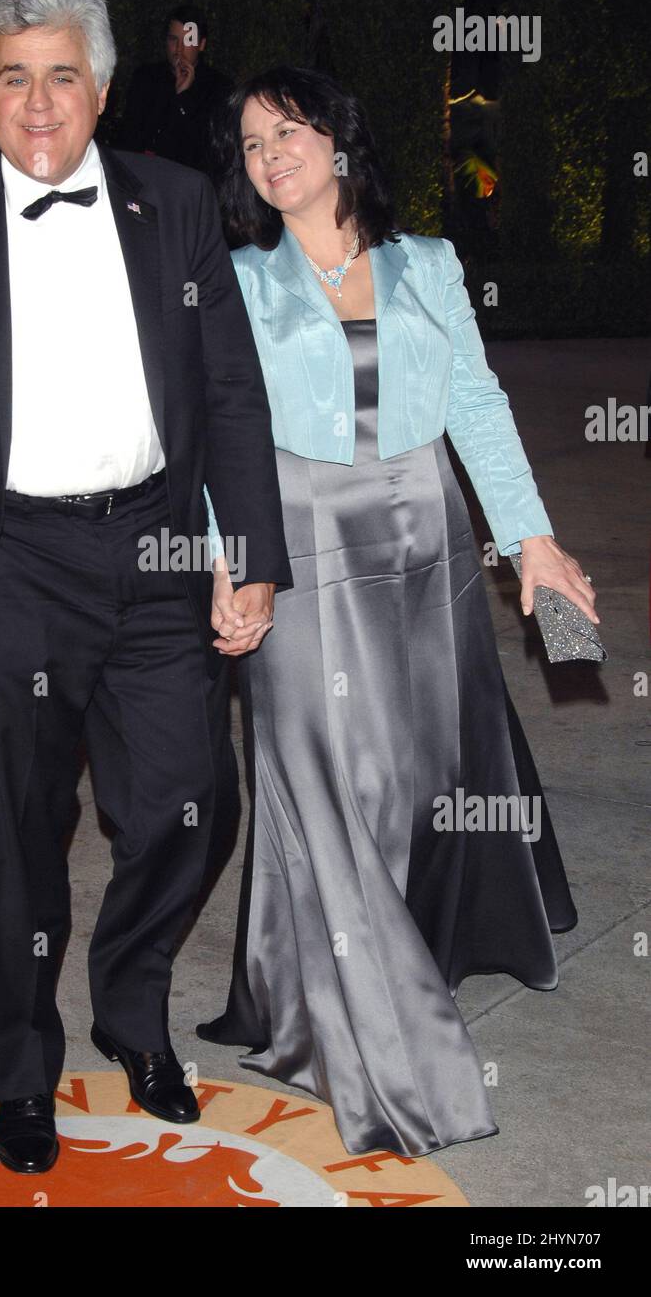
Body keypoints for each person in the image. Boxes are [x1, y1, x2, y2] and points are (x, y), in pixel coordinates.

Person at [0, 0, 291, 1176]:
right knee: (19, 837)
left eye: (63, 73)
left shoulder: (175, 203)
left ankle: (130, 1014)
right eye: (15, 76)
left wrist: (248, 558)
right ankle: (24, 1073)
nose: (39, 102)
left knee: (192, 804)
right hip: (11, 562)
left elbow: (231, 393)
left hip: (157, 546)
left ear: (100, 87)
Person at [197, 66, 598, 1158]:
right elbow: (213, 432)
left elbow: (472, 398)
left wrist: (530, 537)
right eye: (249, 142)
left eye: (289, 131)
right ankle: (388, 1046)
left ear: (339, 141)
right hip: (295, 538)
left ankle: (368, 956)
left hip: (423, 537)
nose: (270, 153)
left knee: (421, 771)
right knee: (329, 769)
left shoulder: (426, 263)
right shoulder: (235, 280)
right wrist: (230, 565)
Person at [119, 3, 232, 174]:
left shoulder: (218, 87)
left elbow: (208, 150)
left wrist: (183, 98)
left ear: (201, 44)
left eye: (188, 40)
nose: (179, 49)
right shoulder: (146, 78)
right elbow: (130, 137)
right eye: (173, 40)